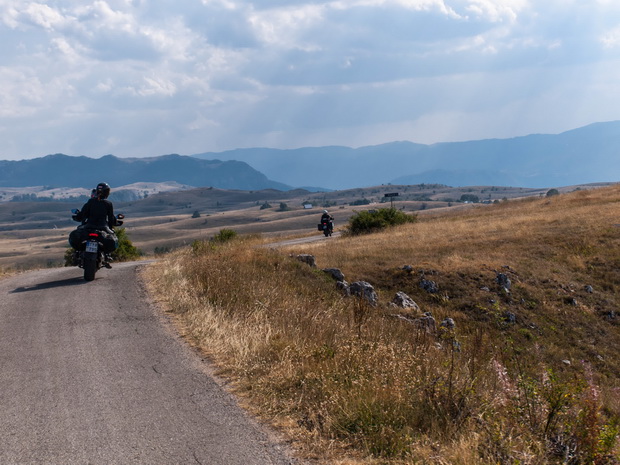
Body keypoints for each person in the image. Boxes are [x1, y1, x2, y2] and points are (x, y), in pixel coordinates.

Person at [69, 182, 119, 258]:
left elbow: (83, 214)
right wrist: (111, 228)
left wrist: (78, 217)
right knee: (112, 238)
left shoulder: (91, 202)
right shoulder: (108, 204)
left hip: (89, 226)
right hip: (103, 227)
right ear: (107, 192)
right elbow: (111, 218)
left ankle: (78, 254)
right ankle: (107, 255)